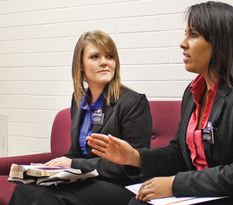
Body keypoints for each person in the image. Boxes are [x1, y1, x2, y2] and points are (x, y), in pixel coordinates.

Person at [87, 2, 233, 205]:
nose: (183, 43)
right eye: (185, 34)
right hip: (219, 194)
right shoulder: (194, 91)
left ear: (220, 42)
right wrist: (134, 157)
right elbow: (179, 153)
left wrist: (175, 184)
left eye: (193, 34)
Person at [9, 30, 152, 205]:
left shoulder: (133, 102)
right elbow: (77, 152)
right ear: (81, 65)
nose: (104, 62)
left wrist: (73, 164)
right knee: (25, 189)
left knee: (47, 197)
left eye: (109, 56)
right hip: (86, 179)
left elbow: (135, 166)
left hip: (121, 185)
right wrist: (49, 168)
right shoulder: (78, 101)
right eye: (95, 57)